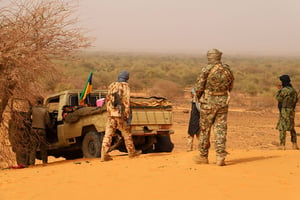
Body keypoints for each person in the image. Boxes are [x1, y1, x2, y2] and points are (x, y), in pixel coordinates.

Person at [193, 49, 234, 166]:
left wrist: (199, 96)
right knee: (220, 129)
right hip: (223, 102)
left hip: (208, 103)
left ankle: (203, 156)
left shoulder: (206, 69)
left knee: (205, 129)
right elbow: (231, 85)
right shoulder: (227, 69)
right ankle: (220, 156)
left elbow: (199, 87)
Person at [101, 70, 142, 161]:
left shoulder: (112, 85)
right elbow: (126, 102)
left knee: (108, 134)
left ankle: (104, 154)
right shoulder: (125, 86)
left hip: (111, 114)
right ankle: (131, 152)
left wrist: (109, 112)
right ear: (127, 77)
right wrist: (127, 116)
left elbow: (107, 100)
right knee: (126, 133)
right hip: (119, 115)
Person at [276, 75, 299, 150]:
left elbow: (278, 98)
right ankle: (294, 144)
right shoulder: (294, 90)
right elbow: (296, 100)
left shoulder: (284, 90)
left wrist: (279, 90)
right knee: (291, 127)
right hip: (291, 110)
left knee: (282, 127)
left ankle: (282, 145)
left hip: (284, 110)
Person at [30, 97, 51, 164]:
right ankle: (44, 162)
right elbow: (48, 122)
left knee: (33, 147)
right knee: (43, 147)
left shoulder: (32, 109)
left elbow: (27, 118)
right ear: (42, 102)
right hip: (42, 130)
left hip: (33, 130)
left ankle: (31, 163)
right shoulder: (45, 111)